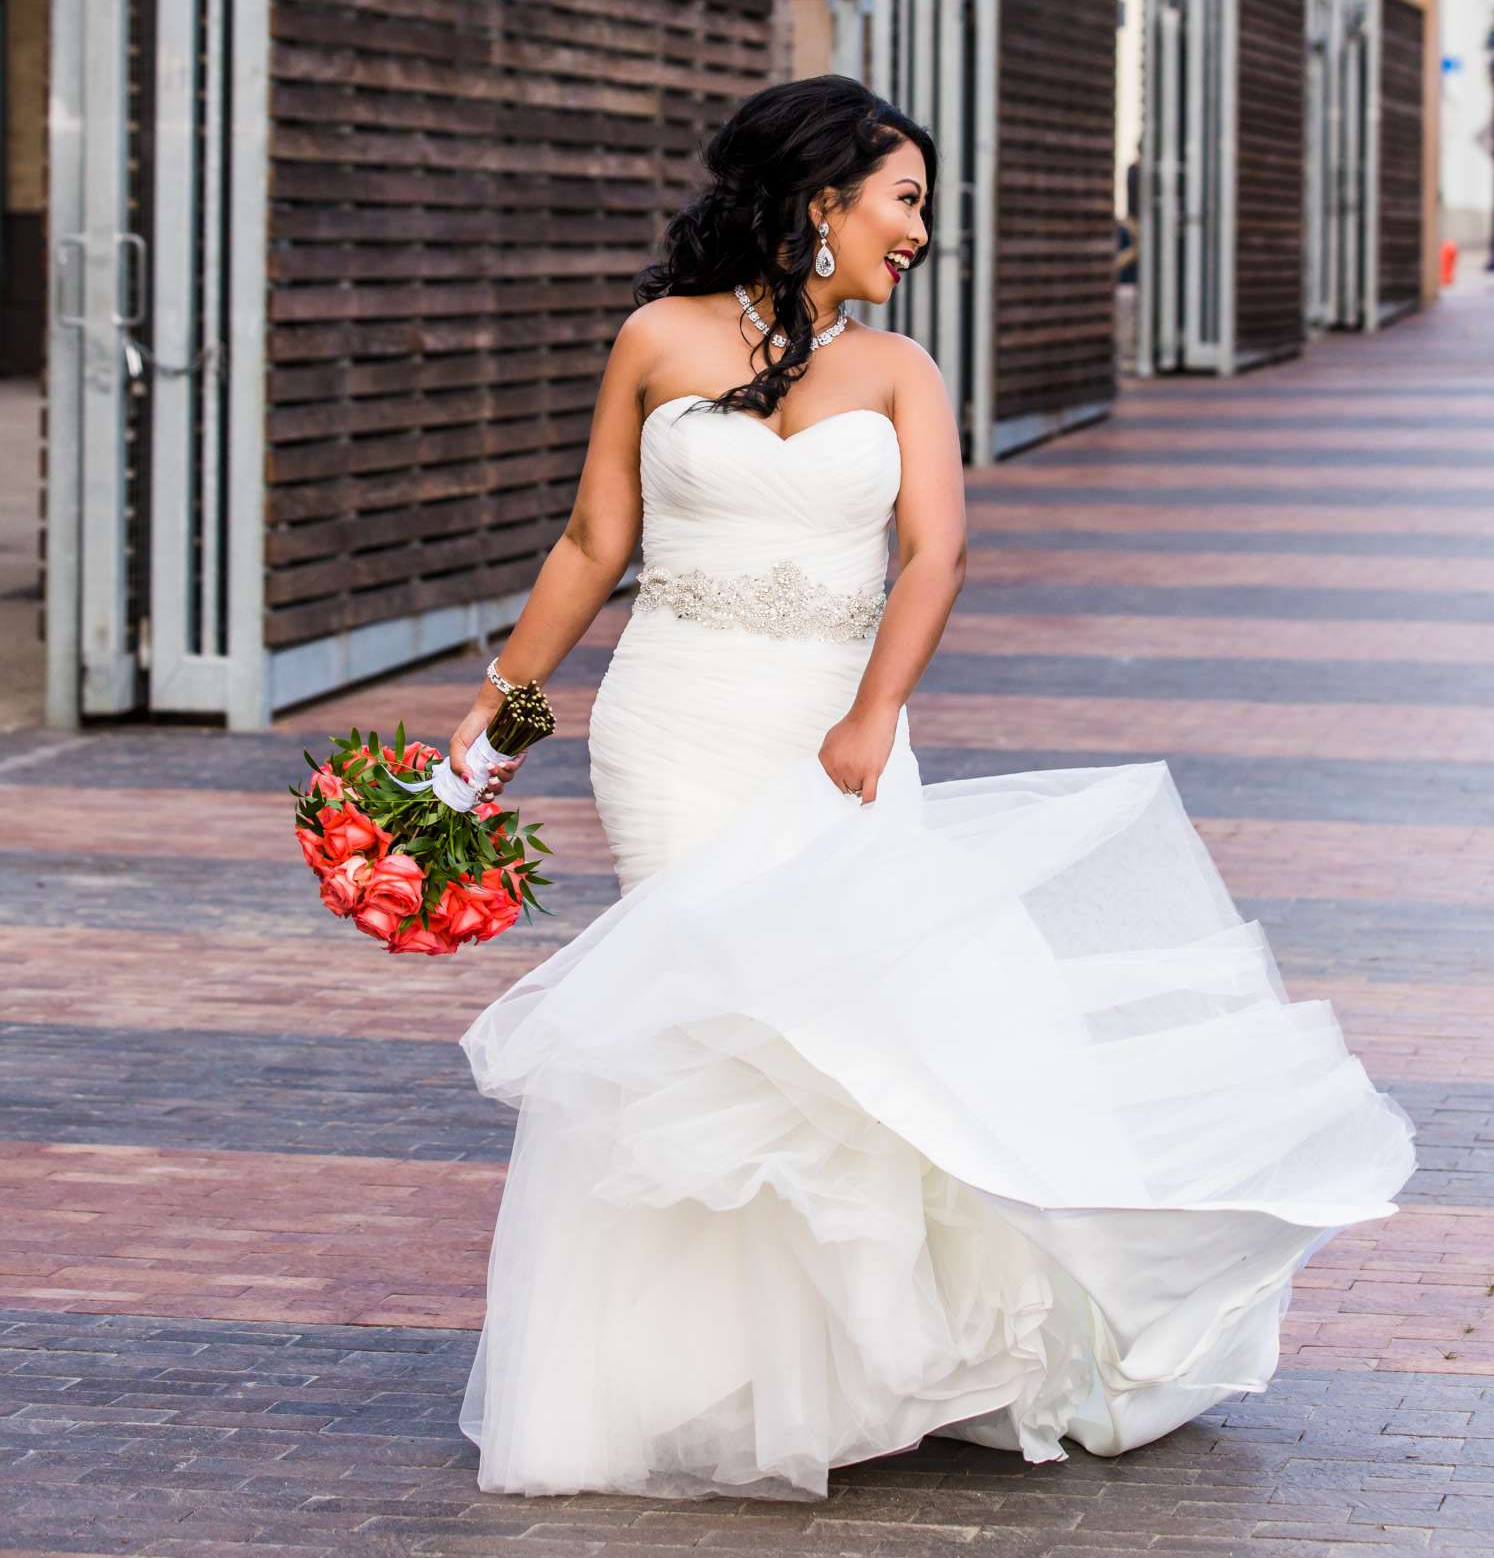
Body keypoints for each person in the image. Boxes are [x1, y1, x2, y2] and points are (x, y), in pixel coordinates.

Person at [449, 73, 1414, 1504]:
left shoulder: (901, 370)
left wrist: (870, 717)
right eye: (901, 201)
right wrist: (490, 734)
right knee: (707, 1029)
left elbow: (937, 557)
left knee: (848, 1027)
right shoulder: (654, 338)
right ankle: (703, 1376)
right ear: (818, 199)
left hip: (834, 738)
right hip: (669, 727)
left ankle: (863, 1362)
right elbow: (595, 543)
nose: (917, 232)